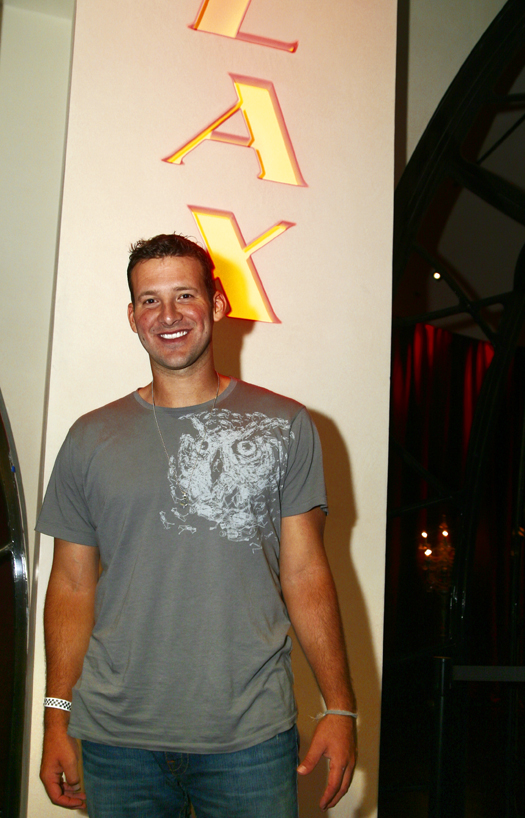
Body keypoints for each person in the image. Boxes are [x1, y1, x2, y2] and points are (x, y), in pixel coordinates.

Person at [37, 233, 357, 817]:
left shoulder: (285, 424)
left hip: (250, 737)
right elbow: (71, 586)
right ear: (132, 317)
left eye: (185, 294)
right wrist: (56, 717)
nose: (169, 314)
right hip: (116, 737)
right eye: (150, 300)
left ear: (218, 303)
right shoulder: (89, 437)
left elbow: (306, 573)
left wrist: (339, 706)